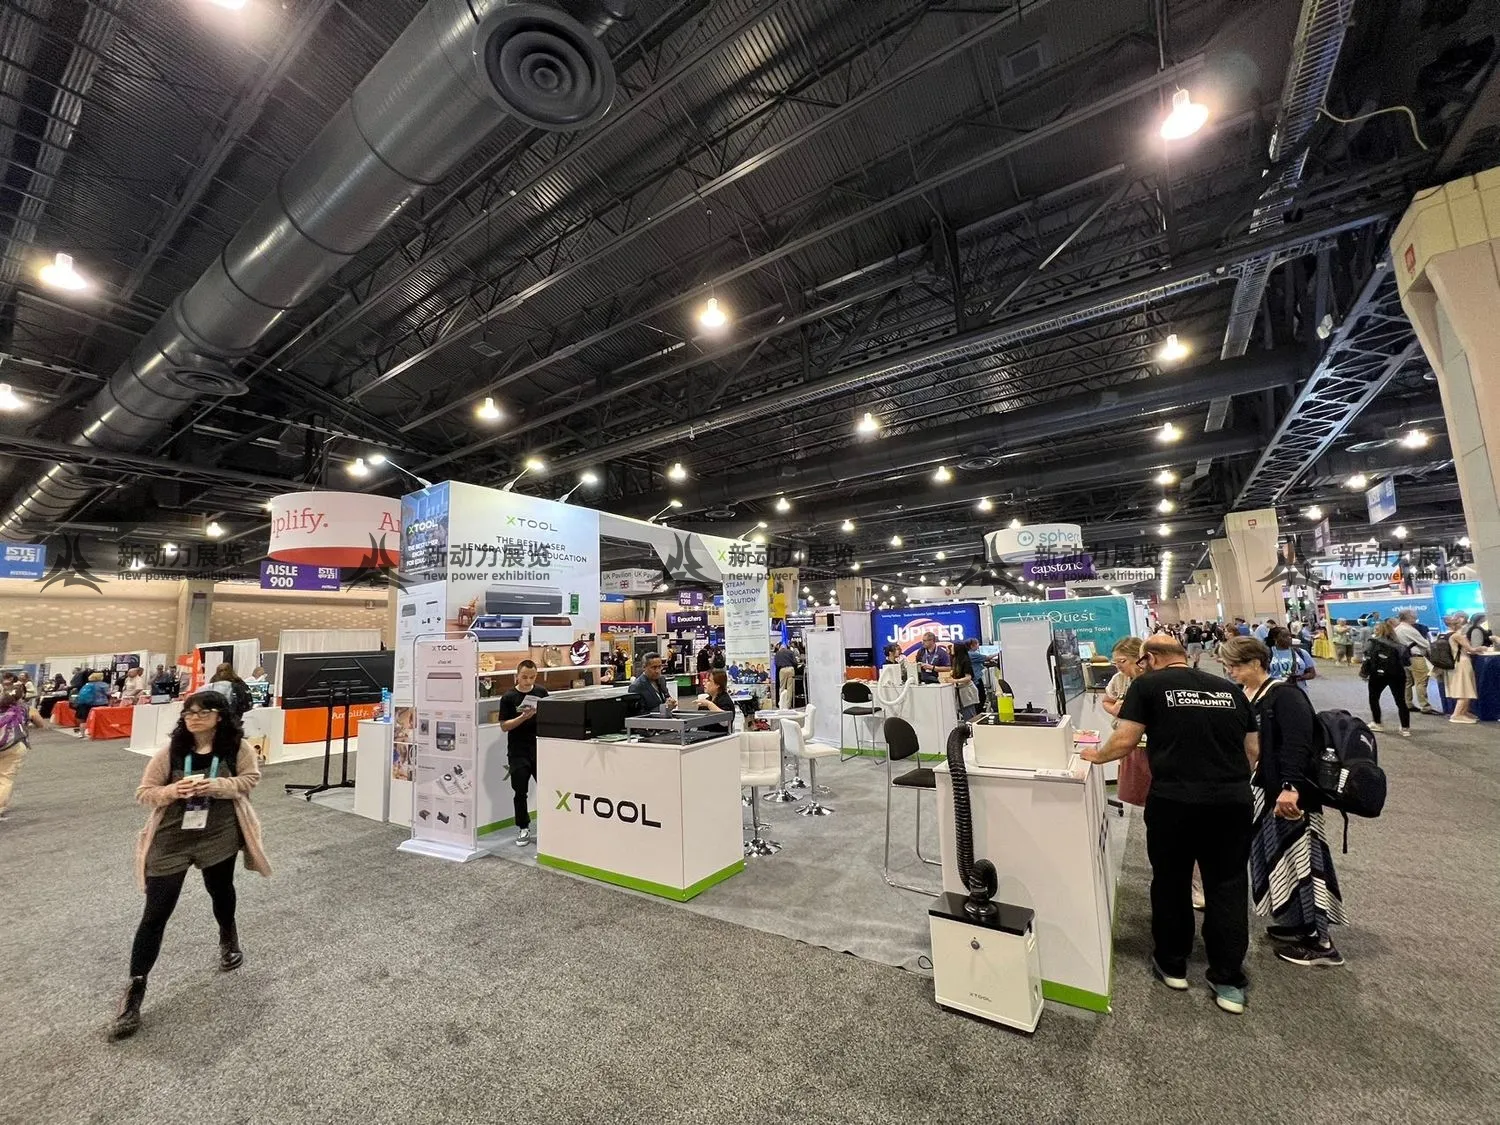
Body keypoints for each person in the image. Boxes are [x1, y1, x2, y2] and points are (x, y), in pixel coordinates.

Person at [1082, 635, 1258, 1015]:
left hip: (1175, 800)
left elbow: (1125, 740)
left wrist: (1094, 757)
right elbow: (1253, 750)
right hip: (1232, 801)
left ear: (1150, 658)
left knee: (1171, 880)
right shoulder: (1229, 689)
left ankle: (1173, 963)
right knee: (1227, 885)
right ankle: (1228, 979)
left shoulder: (1148, 686)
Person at [110, 690, 270, 1040]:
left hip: (218, 833)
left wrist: (218, 785)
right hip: (172, 837)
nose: (194, 718)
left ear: (219, 716)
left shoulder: (237, 749)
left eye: (202, 712)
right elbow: (144, 791)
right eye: (188, 713)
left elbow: (250, 780)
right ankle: (135, 988)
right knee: (156, 911)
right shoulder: (171, 752)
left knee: (220, 889)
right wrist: (171, 792)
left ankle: (228, 935)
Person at [1219, 637, 1347, 967]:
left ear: (1256, 663)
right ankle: (1298, 924)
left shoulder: (1285, 695)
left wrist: (1291, 787)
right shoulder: (1246, 694)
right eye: (1228, 665)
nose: (1230, 670)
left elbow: (1297, 744)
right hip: (1262, 790)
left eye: (1235, 665)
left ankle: (1322, 943)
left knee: (1304, 862)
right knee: (1277, 860)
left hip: (1289, 794)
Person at [498, 659, 548, 847]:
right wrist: (523, 717)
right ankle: (523, 827)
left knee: (548, 787)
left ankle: (550, 823)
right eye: (525, 677)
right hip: (518, 751)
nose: (528, 681)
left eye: (532, 677)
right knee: (520, 791)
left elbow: (549, 714)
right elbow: (504, 726)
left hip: (539, 747)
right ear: (517, 675)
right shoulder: (508, 697)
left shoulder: (541, 692)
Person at [0, 686, 46, 820]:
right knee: (5, 778)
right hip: (14, 745)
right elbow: (41, 724)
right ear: (21, 696)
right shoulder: (25, 708)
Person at [1362, 619, 1411, 737]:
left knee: (1374, 698)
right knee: (1400, 701)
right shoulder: (1400, 646)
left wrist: (1364, 673)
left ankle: (1377, 723)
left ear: (1378, 631)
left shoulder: (1372, 642)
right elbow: (1407, 662)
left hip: (1377, 674)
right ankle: (1405, 728)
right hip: (1397, 674)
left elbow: (1367, 657)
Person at [1393, 610, 1438, 716]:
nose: (1416, 618)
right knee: (1421, 682)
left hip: (1403, 659)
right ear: (1409, 617)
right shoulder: (1409, 629)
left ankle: (1408, 703)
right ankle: (1425, 706)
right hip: (1416, 657)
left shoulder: (1397, 628)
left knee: (1407, 682)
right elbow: (1425, 643)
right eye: (1414, 616)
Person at [1444, 612, 1479, 724]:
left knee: (1463, 687)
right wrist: (1482, 648)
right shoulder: (1457, 636)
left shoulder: (1445, 634)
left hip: (1453, 663)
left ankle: (1463, 712)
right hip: (1462, 663)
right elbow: (1471, 649)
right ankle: (1457, 715)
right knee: (1465, 689)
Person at [1266, 628, 1315, 695]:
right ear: (1275, 638)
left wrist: (1299, 678)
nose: (1289, 638)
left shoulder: (1301, 652)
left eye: (1290, 635)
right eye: (1284, 636)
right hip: (1274, 693)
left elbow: (1312, 673)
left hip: (1299, 692)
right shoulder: (1267, 654)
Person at [71, 672, 111, 738]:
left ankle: (82, 733)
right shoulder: (103, 684)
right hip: (99, 704)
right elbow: (108, 693)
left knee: (83, 718)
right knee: (99, 719)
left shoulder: (87, 684)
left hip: (85, 703)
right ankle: (98, 733)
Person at [696, 669, 735, 734]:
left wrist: (709, 704)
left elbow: (725, 722)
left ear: (717, 685)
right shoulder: (707, 699)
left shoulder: (725, 701)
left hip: (719, 738)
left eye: (709, 681)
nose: (704, 683)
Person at [773, 643, 798, 710]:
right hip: (790, 669)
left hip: (782, 670)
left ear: (780, 647)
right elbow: (795, 662)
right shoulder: (790, 652)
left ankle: (782, 704)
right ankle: (788, 705)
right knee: (790, 688)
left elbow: (776, 664)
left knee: (782, 687)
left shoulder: (777, 653)